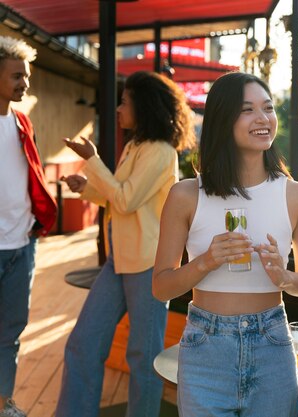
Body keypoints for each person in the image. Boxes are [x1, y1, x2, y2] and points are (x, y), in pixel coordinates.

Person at [152, 71, 298, 417]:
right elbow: (160, 287)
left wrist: (284, 277)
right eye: (248, 110)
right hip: (205, 346)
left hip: (272, 344)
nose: (263, 119)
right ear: (223, 119)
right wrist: (205, 262)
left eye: (269, 108)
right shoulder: (185, 195)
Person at [55, 71, 195, 417]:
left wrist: (92, 159)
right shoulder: (135, 146)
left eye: (124, 102)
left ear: (144, 106)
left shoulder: (161, 152)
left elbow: (126, 200)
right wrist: (87, 187)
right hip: (119, 261)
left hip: (148, 266)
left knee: (143, 359)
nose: (118, 109)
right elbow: (118, 198)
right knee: (83, 344)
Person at [0, 36, 56, 417]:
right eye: (17, 76)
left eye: (27, 76)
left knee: (10, 333)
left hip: (22, 244)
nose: (25, 84)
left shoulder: (21, 121)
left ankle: (3, 403)